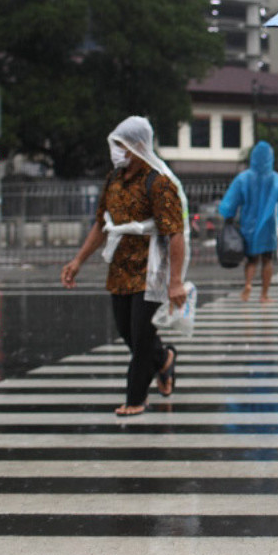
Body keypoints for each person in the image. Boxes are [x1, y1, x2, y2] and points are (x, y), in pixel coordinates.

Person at [61, 116, 188, 417]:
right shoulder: (114, 180)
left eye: (121, 145)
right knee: (127, 332)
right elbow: (102, 225)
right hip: (120, 267)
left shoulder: (158, 182)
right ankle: (165, 360)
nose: (116, 150)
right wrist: (78, 261)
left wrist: (175, 282)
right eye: (115, 144)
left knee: (141, 335)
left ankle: (135, 398)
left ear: (138, 145)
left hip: (152, 269)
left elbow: (175, 233)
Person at [218, 141, 278, 303]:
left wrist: (228, 217)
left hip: (248, 226)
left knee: (251, 260)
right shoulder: (277, 181)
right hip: (267, 229)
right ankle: (264, 295)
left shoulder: (243, 178)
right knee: (267, 260)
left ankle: (248, 284)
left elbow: (230, 202)